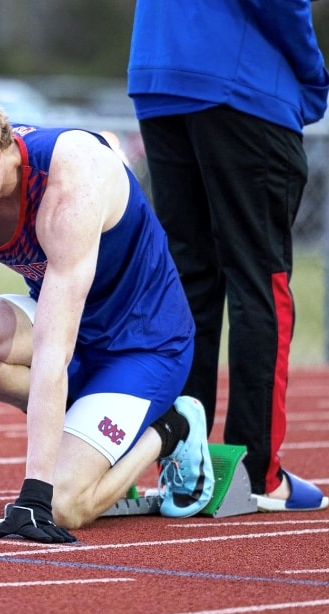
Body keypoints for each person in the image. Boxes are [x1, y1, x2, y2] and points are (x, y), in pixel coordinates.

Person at [0, 71, 215, 543]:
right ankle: (88, 427)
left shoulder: (70, 178)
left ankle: (172, 426)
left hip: (141, 346)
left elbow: (53, 351)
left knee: (64, 504)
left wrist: (34, 495)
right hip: (69, 329)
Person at [128, 0, 329, 512]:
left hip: (159, 72)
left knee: (188, 284)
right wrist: (312, 72)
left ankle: (183, 468)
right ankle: (257, 474)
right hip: (242, 81)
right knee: (261, 280)